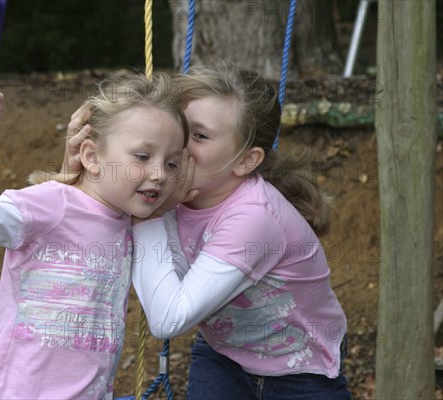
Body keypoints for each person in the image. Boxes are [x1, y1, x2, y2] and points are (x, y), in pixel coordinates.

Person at [66, 61, 351, 399]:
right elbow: (83, 220)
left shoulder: (254, 217)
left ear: (247, 160)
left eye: (199, 136)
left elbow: (167, 320)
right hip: (223, 355)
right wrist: (84, 165)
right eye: (181, 128)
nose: (180, 144)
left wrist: (151, 217)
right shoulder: (163, 185)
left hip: (300, 373)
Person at [0, 71, 190, 399]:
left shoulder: (132, 223)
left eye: (171, 164)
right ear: (91, 156)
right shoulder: (52, 204)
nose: (159, 174)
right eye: (142, 156)